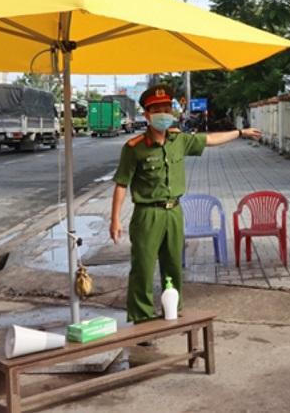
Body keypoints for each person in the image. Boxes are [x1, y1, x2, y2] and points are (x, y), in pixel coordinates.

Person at [109, 84, 261, 325]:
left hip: (174, 212)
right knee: (143, 268)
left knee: (173, 267)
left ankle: (173, 312)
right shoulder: (134, 148)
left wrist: (240, 133)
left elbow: (210, 139)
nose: (163, 113)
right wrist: (115, 219)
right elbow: (120, 184)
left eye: (167, 108)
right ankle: (142, 319)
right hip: (148, 214)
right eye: (156, 109)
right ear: (147, 115)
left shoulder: (178, 140)